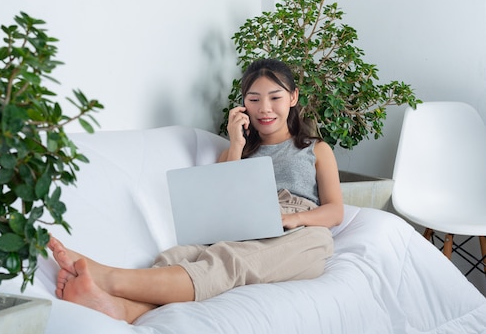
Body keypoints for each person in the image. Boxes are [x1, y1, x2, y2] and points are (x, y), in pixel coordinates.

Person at [48, 58, 344, 323]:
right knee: (180, 255)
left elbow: (335, 211)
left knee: (231, 262)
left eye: (275, 97)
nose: (264, 108)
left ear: (293, 97)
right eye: (254, 99)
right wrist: (236, 143)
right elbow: (220, 198)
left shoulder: (315, 149)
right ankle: (124, 310)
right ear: (243, 105)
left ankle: (110, 278)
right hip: (248, 225)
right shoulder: (236, 152)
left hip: (303, 231)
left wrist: (293, 219)